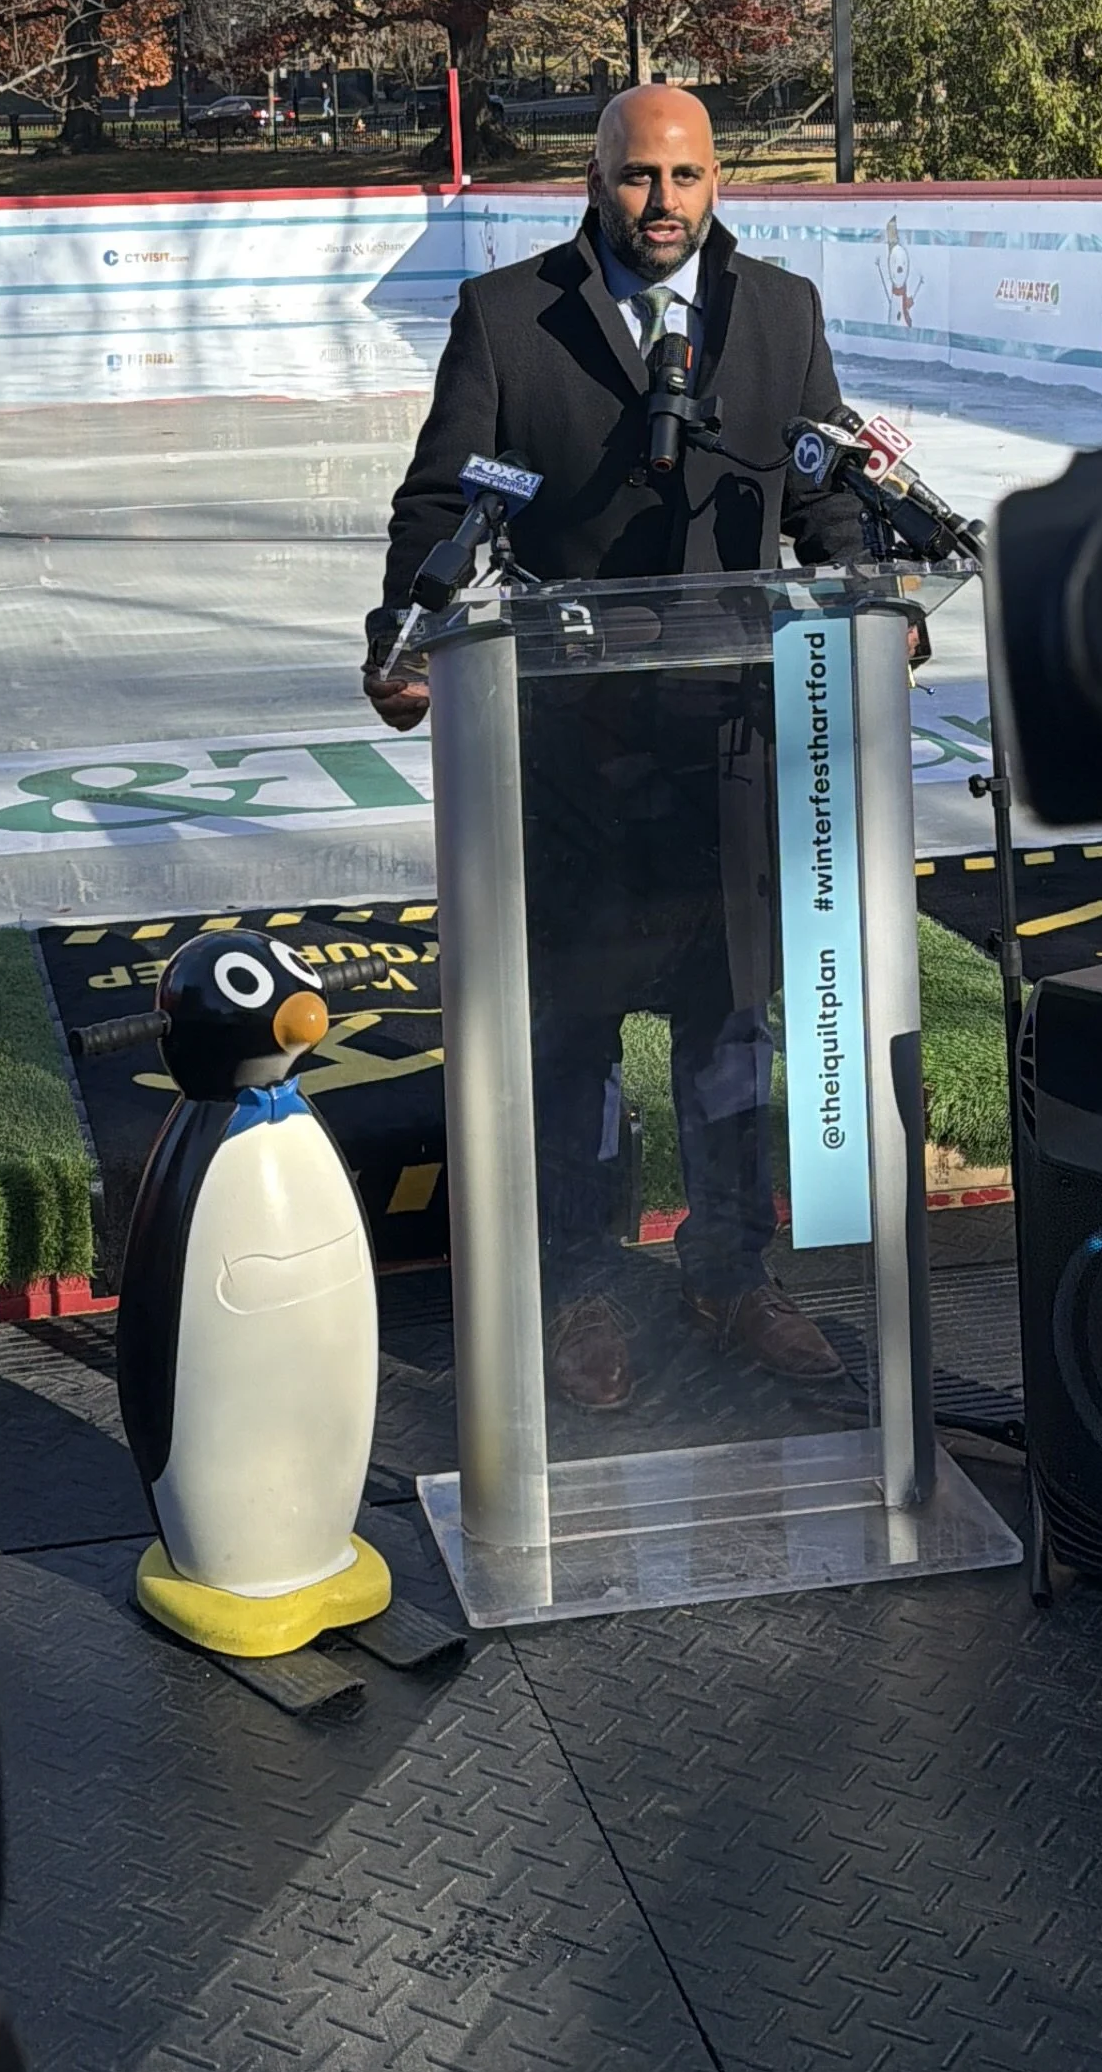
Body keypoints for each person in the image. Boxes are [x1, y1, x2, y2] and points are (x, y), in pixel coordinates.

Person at [364, 84, 877, 1412]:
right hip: (568, 754)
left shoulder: (781, 314)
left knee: (730, 1031)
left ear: (719, 183)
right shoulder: (504, 319)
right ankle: (579, 1288)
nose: (661, 204)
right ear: (594, 181)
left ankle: (728, 1268)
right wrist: (401, 638)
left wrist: (868, 598)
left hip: (729, 749)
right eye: (637, 177)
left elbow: (820, 484)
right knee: (571, 1039)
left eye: (686, 177)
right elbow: (438, 501)